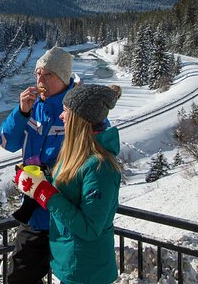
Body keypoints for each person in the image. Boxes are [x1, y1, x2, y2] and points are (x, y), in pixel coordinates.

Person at [14, 84, 122, 284]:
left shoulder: (99, 166)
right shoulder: (76, 154)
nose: (61, 117)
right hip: (71, 263)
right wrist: (38, 180)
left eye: (66, 111)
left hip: (88, 271)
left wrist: (43, 192)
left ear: (81, 119)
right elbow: (67, 195)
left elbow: (90, 227)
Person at [0, 46, 76, 283]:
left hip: (67, 219)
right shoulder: (32, 107)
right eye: (37, 74)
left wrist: (50, 176)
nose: (40, 80)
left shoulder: (77, 108)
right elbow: (6, 142)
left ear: (63, 78)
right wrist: (21, 112)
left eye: (47, 75)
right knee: (18, 278)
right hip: (36, 215)